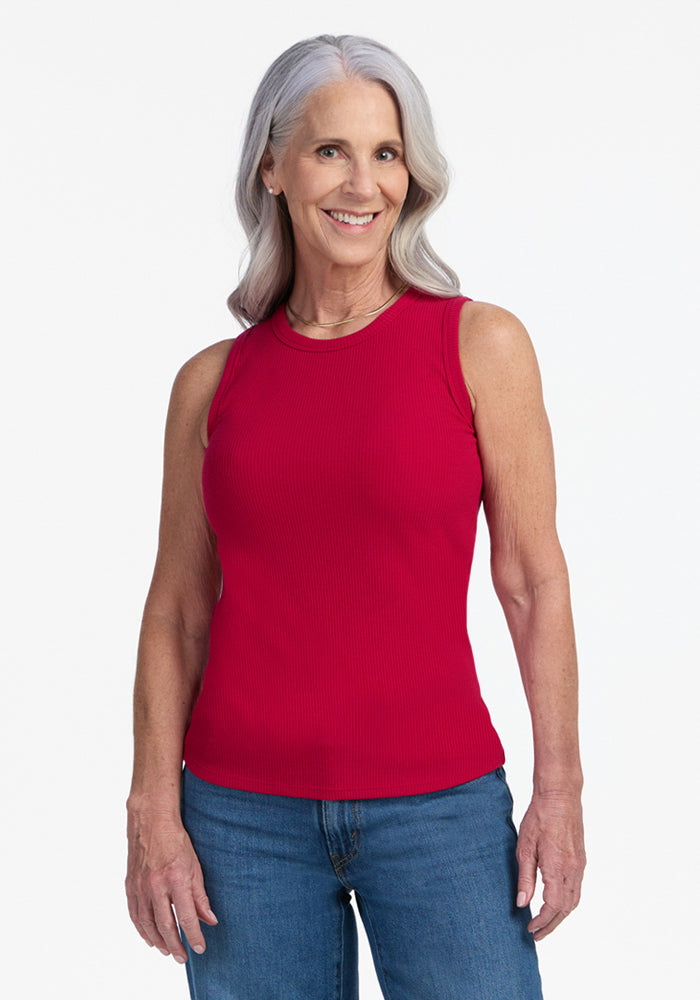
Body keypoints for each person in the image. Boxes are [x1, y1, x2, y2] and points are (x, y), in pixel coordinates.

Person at [125, 33, 585, 1000]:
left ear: (412, 175)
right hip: (241, 825)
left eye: (386, 152)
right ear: (274, 167)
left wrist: (560, 789)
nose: (363, 182)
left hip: (442, 813)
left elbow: (532, 582)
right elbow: (176, 611)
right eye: (332, 149)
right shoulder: (212, 386)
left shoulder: (477, 346)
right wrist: (153, 809)